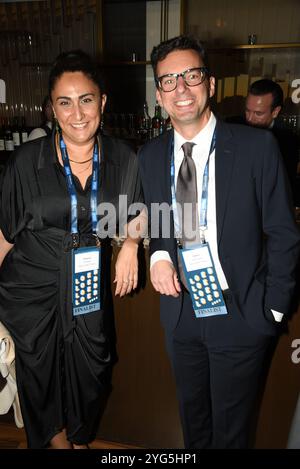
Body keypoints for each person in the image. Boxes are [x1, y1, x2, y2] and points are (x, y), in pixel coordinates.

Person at [138, 35, 300, 449]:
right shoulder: (150, 156)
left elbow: (283, 233)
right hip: (181, 313)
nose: (181, 89)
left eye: (191, 75)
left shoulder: (257, 147)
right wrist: (158, 253)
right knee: (193, 425)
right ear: (159, 93)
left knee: (232, 433)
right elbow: (159, 218)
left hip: (240, 312)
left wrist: (273, 310)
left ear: (210, 84)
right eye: (169, 80)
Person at [0, 50, 143, 449]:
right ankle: (59, 443)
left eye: (86, 99)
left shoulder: (123, 157)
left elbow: (137, 210)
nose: (76, 113)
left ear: (103, 102)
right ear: (52, 108)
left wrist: (130, 244)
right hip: (32, 288)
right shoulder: (26, 162)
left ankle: (79, 439)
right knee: (41, 376)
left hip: (85, 283)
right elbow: (4, 235)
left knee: (91, 371)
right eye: (65, 102)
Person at [244, 79, 299, 206]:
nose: (250, 118)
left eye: (258, 113)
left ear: (275, 112)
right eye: (247, 111)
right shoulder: (234, 128)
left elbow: (284, 187)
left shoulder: (287, 141)